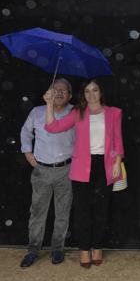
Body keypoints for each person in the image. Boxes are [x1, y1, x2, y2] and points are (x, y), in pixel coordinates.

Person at [44, 79, 124, 268]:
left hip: (105, 165)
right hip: (82, 168)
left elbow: (118, 141)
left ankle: (97, 247)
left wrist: (117, 162)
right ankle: (84, 250)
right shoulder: (78, 112)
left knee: (101, 212)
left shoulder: (114, 113)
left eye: (95, 90)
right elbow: (52, 127)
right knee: (82, 213)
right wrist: (49, 104)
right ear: (83, 94)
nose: (91, 94)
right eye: (87, 91)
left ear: (101, 92)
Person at [19, 78, 75, 268]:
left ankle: (57, 248)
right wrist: (27, 153)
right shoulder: (37, 112)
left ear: (70, 95)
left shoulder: (75, 113)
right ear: (48, 92)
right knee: (37, 212)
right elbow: (26, 132)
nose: (59, 93)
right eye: (55, 89)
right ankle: (33, 250)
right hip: (41, 170)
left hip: (66, 170)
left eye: (63, 90)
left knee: (62, 212)